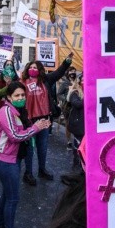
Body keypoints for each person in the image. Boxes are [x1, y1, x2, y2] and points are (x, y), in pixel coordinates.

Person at [0, 82, 51, 228]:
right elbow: (15, 135)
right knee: (12, 198)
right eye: (17, 96)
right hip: (5, 161)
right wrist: (35, 127)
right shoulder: (6, 111)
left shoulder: (17, 111)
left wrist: (38, 127)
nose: (21, 98)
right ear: (9, 97)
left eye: (23, 95)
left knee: (6, 196)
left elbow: (23, 131)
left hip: (12, 159)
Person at [20, 54, 74, 185]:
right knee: (30, 149)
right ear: (27, 69)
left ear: (39, 70)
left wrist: (66, 62)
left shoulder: (45, 80)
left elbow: (58, 73)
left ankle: (42, 170)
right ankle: (28, 173)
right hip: (29, 121)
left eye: (36, 67)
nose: (33, 69)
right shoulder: (21, 83)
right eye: (31, 67)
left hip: (44, 119)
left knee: (42, 147)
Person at [56, 67, 77, 149]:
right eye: (71, 71)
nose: (73, 73)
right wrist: (66, 98)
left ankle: (76, 140)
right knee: (68, 124)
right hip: (67, 107)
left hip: (76, 105)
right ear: (68, 73)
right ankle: (69, 141)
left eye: (74, 71)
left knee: (76, 123)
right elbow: (59, 94)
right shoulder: (65, 83)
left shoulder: (77, 82)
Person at [66, 75, 85, 169]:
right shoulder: (75, 93)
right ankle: (77, 162)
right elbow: (77, 104)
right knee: (78, 143)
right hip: (78, 124)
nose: (85, 82)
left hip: (86, 123)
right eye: (83, 80)